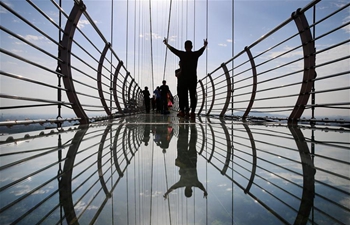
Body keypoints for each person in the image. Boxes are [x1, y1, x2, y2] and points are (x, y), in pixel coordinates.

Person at [163, 38, 208, 119]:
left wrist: (167, 44)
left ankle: (183, 112)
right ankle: (193, 112)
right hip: (193, 78)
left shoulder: (182, 54)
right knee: (192, 95)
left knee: (184, 96)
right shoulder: (195, 54)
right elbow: (201, 50)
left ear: (184, 47)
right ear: (192, 46)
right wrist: (204, 45)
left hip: (184, 79)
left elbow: (174, 50)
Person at [163, 123, 208, 199]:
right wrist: (167, 193)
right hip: (184, 160)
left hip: (192, 159)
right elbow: (174, 187)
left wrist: (205, 191)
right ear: (185, 190)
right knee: (183, 142)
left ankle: (193, 126)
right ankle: (184, 126)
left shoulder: (195, 182)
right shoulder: (182, 183)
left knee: (192, 142)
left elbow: (201, 187)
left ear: (190, 191)